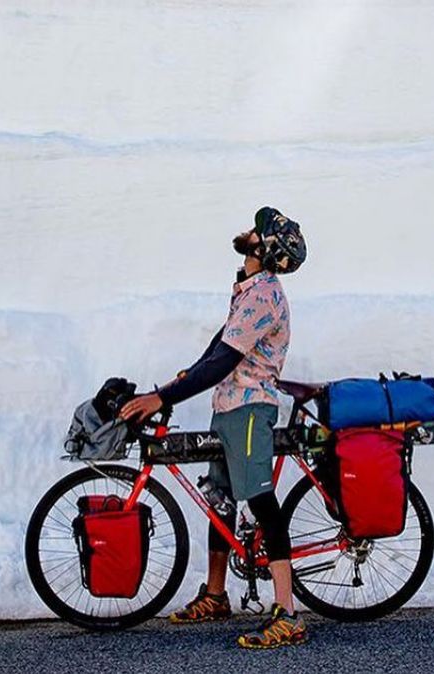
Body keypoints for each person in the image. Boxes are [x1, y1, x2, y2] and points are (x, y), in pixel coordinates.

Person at [120, 206, 308, 649]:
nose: (248, 231)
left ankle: (288, 614)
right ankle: (216, 594)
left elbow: (225, 361)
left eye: (257, 230)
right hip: (227, 407)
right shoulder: (247, 290)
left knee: (261, 501)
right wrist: (176, 383)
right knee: (219, 499)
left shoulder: (264, 295)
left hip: (249, 410)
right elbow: (215, 352)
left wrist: (161, 398)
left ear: (264, 248)